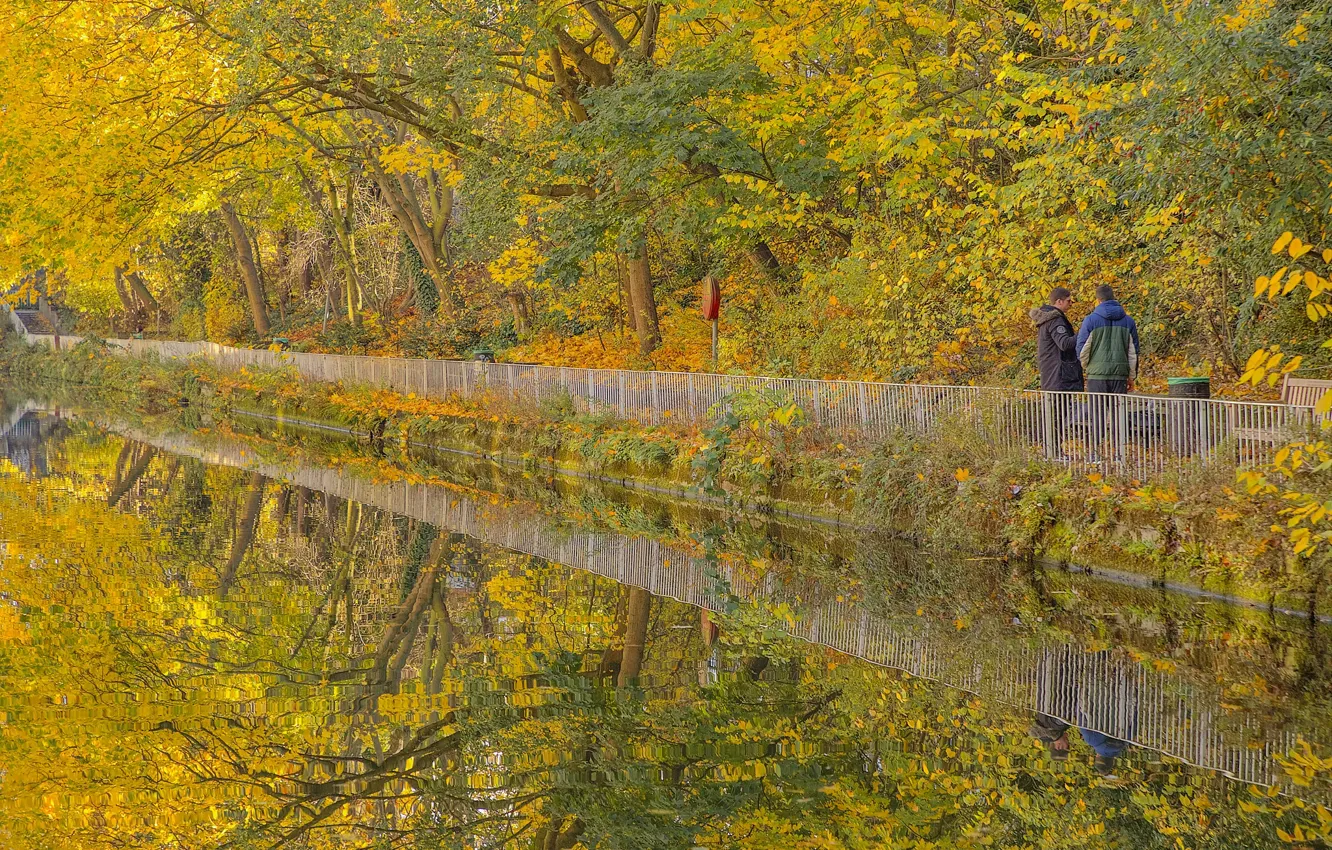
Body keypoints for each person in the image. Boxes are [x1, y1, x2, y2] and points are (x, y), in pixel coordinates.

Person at [1076, 285, 1140, 394]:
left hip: (1096, 377)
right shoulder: (1129, 321)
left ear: (1098, 300)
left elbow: (1082, 349)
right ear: (1113, 297)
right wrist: (1131, 376)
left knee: (1097, 406)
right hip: (1120, 376)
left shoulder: (1090, 320)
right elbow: (1133, 352)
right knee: (1118, 406)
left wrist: (1089, 367)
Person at [1030, 287, 1083, 392]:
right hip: (1060, 376)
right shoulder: (1055, 320)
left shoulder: (1046, 320)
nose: (1071, 304)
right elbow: (1064, 343)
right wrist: (1083, 333)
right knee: (1060, 402)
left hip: (1051, 375)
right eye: (1068, 301)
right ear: (1059, 301)